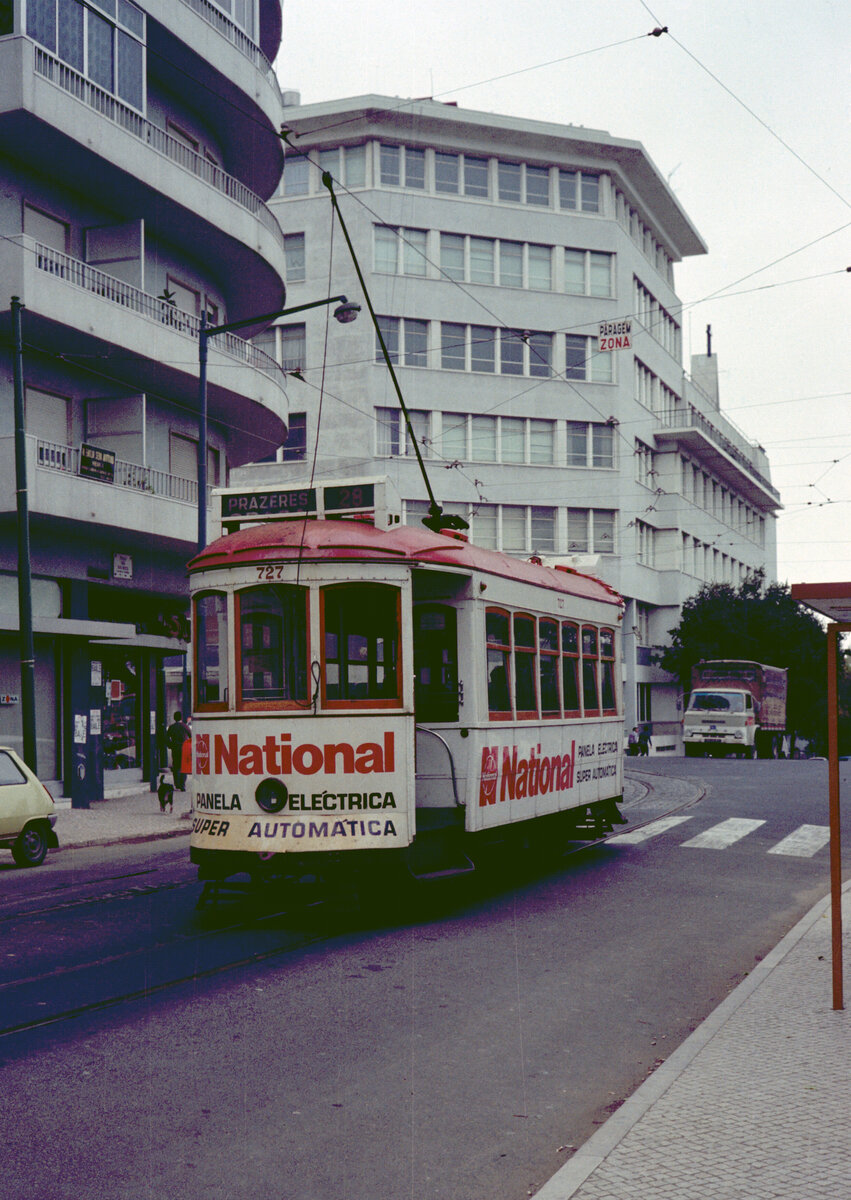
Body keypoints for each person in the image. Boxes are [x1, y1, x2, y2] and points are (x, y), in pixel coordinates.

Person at [166, 710, 191, 790]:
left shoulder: (171, 727)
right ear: (181, 718)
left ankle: (177, 783)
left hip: (175, 749)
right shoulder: (185, 726)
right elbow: (191, 736)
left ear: (174, 718)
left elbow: (166, 738)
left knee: (176, 766)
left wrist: (170, 745)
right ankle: (182, 785)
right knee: (183, 767)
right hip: (184, 749)